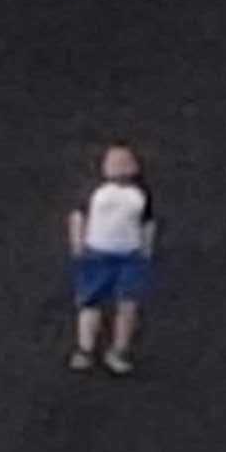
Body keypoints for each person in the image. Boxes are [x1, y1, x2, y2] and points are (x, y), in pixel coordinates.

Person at [68, 143, 157, 372]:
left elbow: (147, 222)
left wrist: (146, 249)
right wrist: (78, 243)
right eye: (114, 162)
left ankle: (119, 350)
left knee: (127, 304)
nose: (119, 167)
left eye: (125, 162)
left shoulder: (140, 193)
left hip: (129, 255)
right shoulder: (95, 191)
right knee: (91, 302)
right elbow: (79, 215)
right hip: (97, 253)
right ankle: (85, 349)